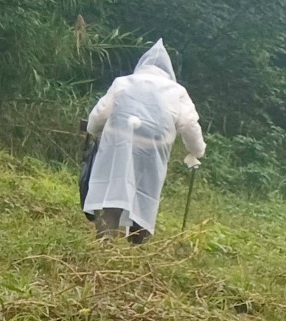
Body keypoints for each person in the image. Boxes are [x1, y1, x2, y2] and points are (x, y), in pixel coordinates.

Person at [83, 40, 205, 244]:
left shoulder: (123, 82)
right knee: (145, 193)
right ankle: (137, 244)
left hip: (119, 146)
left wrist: (93, 131)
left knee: (114, 188)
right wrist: (197, 151)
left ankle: (104, 241)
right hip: (153, 151)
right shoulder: (177, 91)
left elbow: (99, 114)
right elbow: (190, 124)